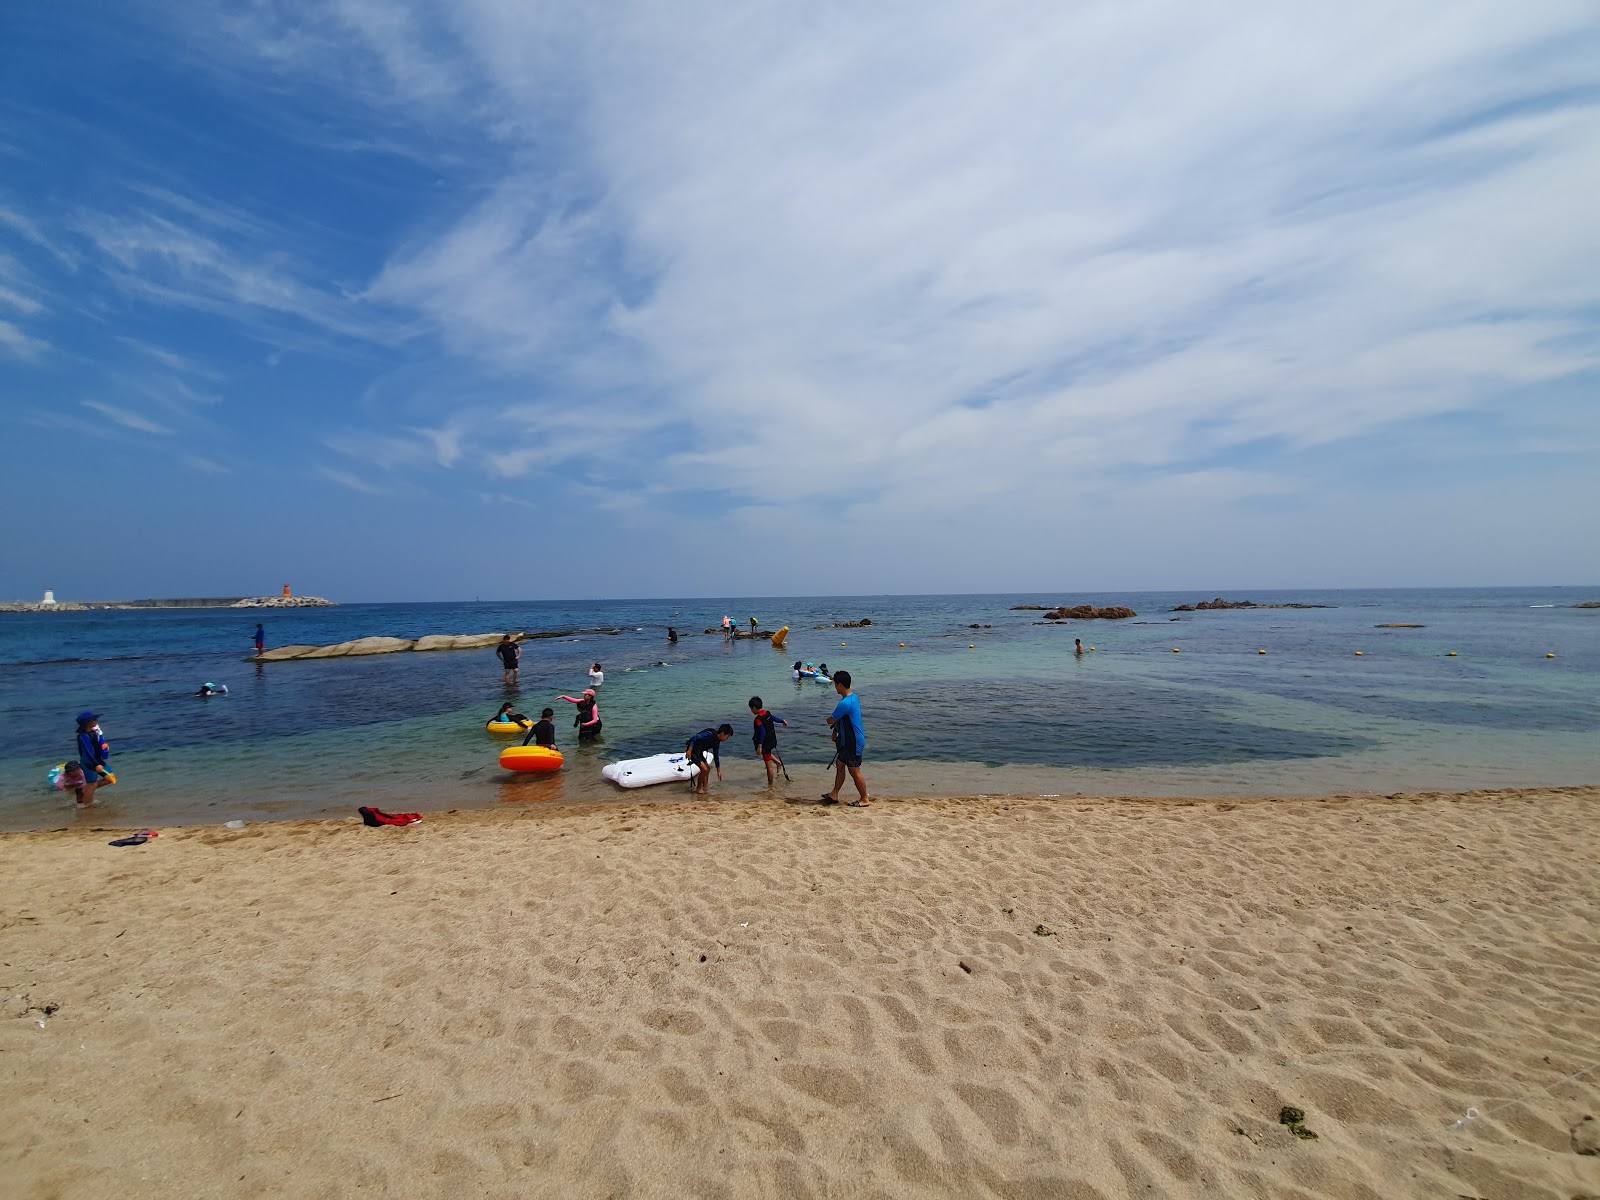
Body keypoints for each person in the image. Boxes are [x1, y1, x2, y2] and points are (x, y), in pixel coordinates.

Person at [823, 670, 869, 807]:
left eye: (836, 684)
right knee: (840, 764)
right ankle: (834, 794)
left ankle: (865, 799)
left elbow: (831, 720)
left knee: (854, 771)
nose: (835, 687)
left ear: (841, 685)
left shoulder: (845, 703)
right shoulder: (853, 697)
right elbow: (843, 720)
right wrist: (835, 732)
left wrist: (828, 721)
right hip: (846, 740)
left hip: (853, 741)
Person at [75, 711, 113, 806]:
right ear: (88, 723)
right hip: (89, 762)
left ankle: (82, 790)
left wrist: (104, 748)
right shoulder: (83, 737)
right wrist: (96, 765)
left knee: (110, 779)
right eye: (94, 719)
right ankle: (87, 806)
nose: (96, 720)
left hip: (97, 760)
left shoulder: (95, 732)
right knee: (92, 784)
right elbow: (88, 752)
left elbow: (99, 745)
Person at [748, 696, 788, 785]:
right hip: (772, 740)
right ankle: (778, 763)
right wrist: (782, 721)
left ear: (754, 708)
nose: (751, 711)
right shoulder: (767, 713)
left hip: (765, 744)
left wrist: (760, 745)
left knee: (769, 767)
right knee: (767, 753)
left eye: (751, 709)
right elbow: (774, 718)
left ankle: (770, 786)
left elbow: (763, 733)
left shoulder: (758, 720)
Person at [685, 723, 734, 794]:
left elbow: (716, 756)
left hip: (699, 752)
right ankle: (698, 788)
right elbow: (695, 737)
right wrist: (689, 750)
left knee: (707, 768)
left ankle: (705, 787)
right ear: (723, 734)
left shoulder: (717, 742)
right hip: (692, 751)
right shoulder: (710, 734)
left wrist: (718, 771)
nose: (727, 739)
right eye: (727, 736)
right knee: (704, 769)